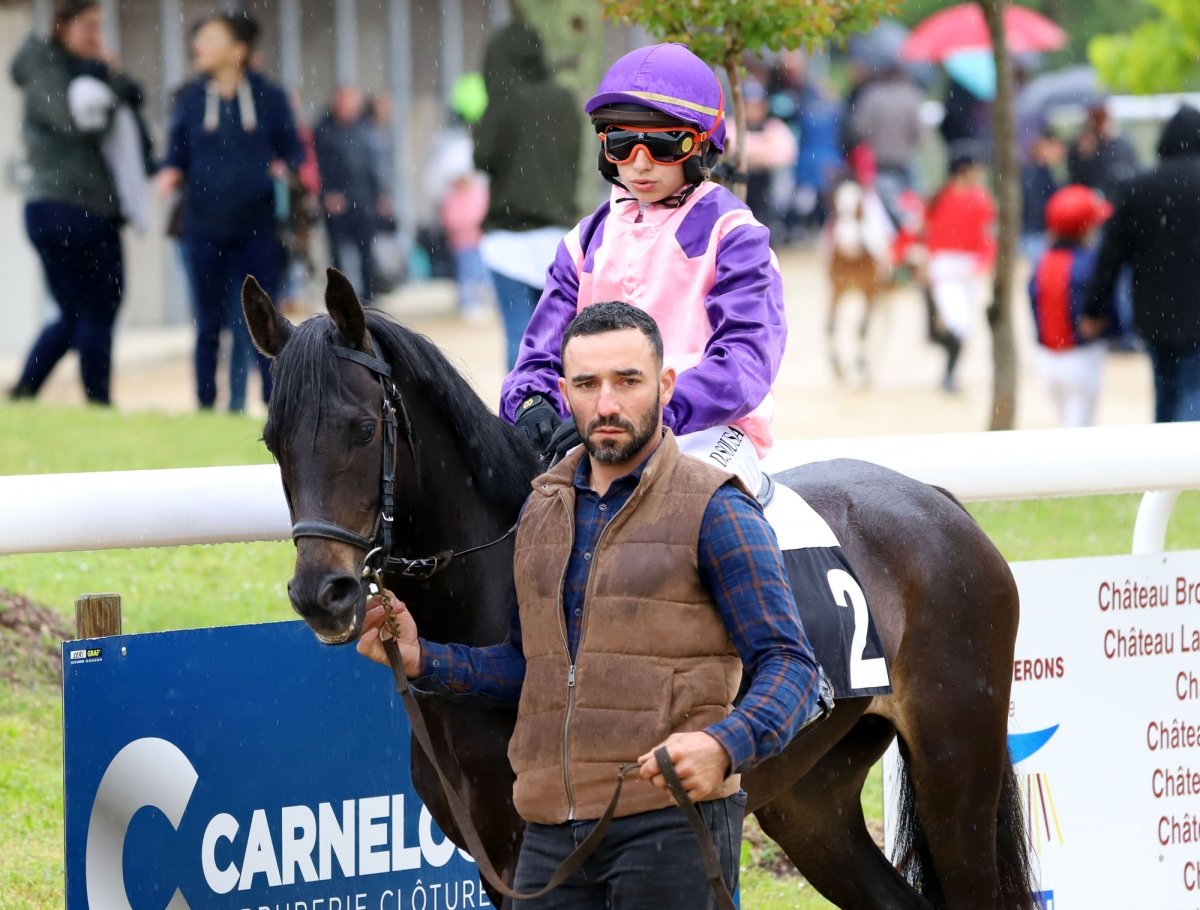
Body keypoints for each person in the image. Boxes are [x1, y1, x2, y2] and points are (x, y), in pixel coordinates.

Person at [358, 303, 825, 909]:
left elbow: (792, 666)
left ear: (665, 385)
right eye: (587, 384)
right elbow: (530, 669)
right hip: (550, 833)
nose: (607, 404)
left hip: (670, 827)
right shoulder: (540, 511)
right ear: (564, 393)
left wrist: (724, 745)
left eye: (627, 381)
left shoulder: (717, 508)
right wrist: (425, 659)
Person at [500, 43, 786, 499]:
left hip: (708, 429)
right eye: (620, 142)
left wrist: (646, 412)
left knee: (695, 505)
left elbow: (745, 363)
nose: (638, 162)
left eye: (663, 145)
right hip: (596, 429)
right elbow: (538, 355)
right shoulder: (582, 241)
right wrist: (532, 401)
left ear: (700, 145)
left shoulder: (734, 235)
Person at [158, 12, 302, 412]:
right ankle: (206, 403)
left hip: (258, 227)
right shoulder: (189, 98)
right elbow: (176, 153)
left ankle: (277, 404)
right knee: (207, 322)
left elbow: (293, 149)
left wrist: (284, 168)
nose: (198, 46)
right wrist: (169, 172)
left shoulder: (270, 97)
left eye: (209, 39)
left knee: (264, 320)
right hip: (202, 227)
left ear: (238, 51)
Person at [8, 0, 146, 405]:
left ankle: (24, 393)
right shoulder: (44, 64)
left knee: (77, 315)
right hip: (66, 208)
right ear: (61, 25)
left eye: (98, 27)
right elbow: (75, 119)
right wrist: (111, 82)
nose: (95, 37)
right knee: (94, 310)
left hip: (84, 209)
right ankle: (96, 402)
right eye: (88, 26)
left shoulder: (75, 68)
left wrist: (110, 77)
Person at [1081, 105, 1200, 423]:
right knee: (1193, 391)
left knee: (1165, 390)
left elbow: (1111, 255)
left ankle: (1166, 449)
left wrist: (1094, 308)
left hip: (1155, 311)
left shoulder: (1138, 188)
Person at [475, 20, 580, 369]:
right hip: (557, 232)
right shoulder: (565, 100)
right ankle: (559, 402)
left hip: (509, 235)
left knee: (518, 338)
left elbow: (481, 157)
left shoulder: (504, 101)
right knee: (558, 337)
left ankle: (521, 401)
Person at [1029, 186, 1119, 427]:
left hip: (1047, 358)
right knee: (1079, 430)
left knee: (1067, 424)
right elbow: (1105, 312)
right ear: (1085, 228)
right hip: (1081, 358)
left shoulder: (1042, 261)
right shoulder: (1089, 263)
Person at [923, 142, 996, 392]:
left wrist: (985, 260)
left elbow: (987, 236)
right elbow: (928, 231)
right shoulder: (940, 197)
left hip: (969, 267)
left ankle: (950, 373)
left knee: (963, 323)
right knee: (958, 320)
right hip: (944, 264)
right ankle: (949, 373)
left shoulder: (981, 199)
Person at [314, 85, 388, 300]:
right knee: (338, 255)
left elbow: (375, 166)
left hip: (364, 200)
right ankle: (341, 300)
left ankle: (369, 299)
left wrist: (381, 194)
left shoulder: (365, 129)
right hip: (337, 202)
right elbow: (318, 167)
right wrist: (327, 194)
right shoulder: (323, 131)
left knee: (366, 252)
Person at [849, 64, 925, 224]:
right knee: (909, 208)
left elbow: (859, 129)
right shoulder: (912, 96)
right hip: (905, 161)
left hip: (878, 162)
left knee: (882, 211)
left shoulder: (872, 96)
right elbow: (920, 133)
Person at [1067, 101, 1138, 203]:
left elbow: (1122, 174)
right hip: (1090, 198)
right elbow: (1077, 175)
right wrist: (1084, 155)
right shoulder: (1086, 143)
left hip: (1110, 198)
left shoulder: (1116, 145)